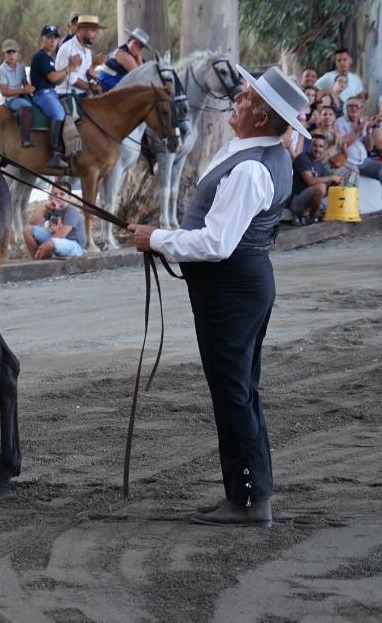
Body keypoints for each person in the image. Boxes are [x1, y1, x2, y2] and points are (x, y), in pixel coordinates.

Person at [129, 65, 311, 528]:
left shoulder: (251, 167)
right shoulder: (257, 154)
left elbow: (215, 243)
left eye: (247, 98)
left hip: (231, 290)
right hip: (239, 287)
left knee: (234, 393)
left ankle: (250, 501)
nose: (239, 99)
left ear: (263, 115)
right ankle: (248, 494)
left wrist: (158, 239)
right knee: (239, 391)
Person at [29, 24, 80, 168]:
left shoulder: (49, 58)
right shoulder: (40, 57)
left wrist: (67, 70)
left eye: (55, 38)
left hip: (51, 92)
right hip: (42, 94)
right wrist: (69, 67)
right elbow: (52, 77)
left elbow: (57, 80)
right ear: (42, 39)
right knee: (58, 113)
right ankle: (54, 154)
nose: (53, 41)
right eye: (49, 38)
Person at [335, 96, 382, 205]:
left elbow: (369, 147)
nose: (353, 109)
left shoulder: (363, 122)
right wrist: (360, 128)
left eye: (356, 106)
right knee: (352, 173)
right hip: (348, 161)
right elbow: (344, 143)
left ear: (361, 109)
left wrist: (368, 131)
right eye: (350, 106)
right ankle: (349, 206)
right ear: (346, 108)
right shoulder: (340, 123)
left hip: (363, 160)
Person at [289, 128, 343, 224]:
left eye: (321, 146)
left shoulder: (319, 164)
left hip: (307, 200)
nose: (317, 149)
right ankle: (311, 219)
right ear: (309, 146)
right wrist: (331, 177)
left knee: (334, 184)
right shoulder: (303, 158)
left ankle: (324, 213)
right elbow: (310, 181)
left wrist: (334, 181)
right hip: (295, 203)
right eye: (315, 145)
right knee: (321, 187)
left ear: (324, 148)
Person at [55, 14, 104, 110]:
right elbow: (72, 80)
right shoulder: (67, 48)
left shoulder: (87, 51)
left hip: (82, 94)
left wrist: (93, 71)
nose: (96, 35)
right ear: (83, 29)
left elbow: (86, 73)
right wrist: (92, 87)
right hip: (67, 95)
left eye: (96, 31)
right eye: (93, 31)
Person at [22, 185, 85, 259]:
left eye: (62, 194)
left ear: (69, 197)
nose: (58, 197)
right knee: (27, 230)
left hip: (75, 245)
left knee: (49, 244)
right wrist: (46, 208)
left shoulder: (71, 211)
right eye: (55, 194)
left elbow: (61, 235)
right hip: (56, 241)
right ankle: (37, 260)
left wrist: (42, 247)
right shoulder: (52, 208)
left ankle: (39, 262)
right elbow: (32, 222)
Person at [0, 39, 35, 147]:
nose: (11, 55)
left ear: (17, 53)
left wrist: (29, 87)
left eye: (14, 52)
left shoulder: (21, 67)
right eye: (8, 52)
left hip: (21, 95)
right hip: (11, 100)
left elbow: (24, 83)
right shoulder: (1, 70)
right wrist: (23, 90)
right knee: (26, 105)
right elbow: (4, 92)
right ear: (4, 54)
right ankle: (25, 138)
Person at [94, 27, 149, 92]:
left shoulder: (133, 56)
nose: (136, 47)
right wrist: (139, 57)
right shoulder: (123, 54)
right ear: (128, 41)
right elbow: (141, 76)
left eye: (140, 46)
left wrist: (138, 56)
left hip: (115, 89)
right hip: (105, 87)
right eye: (135, 43)